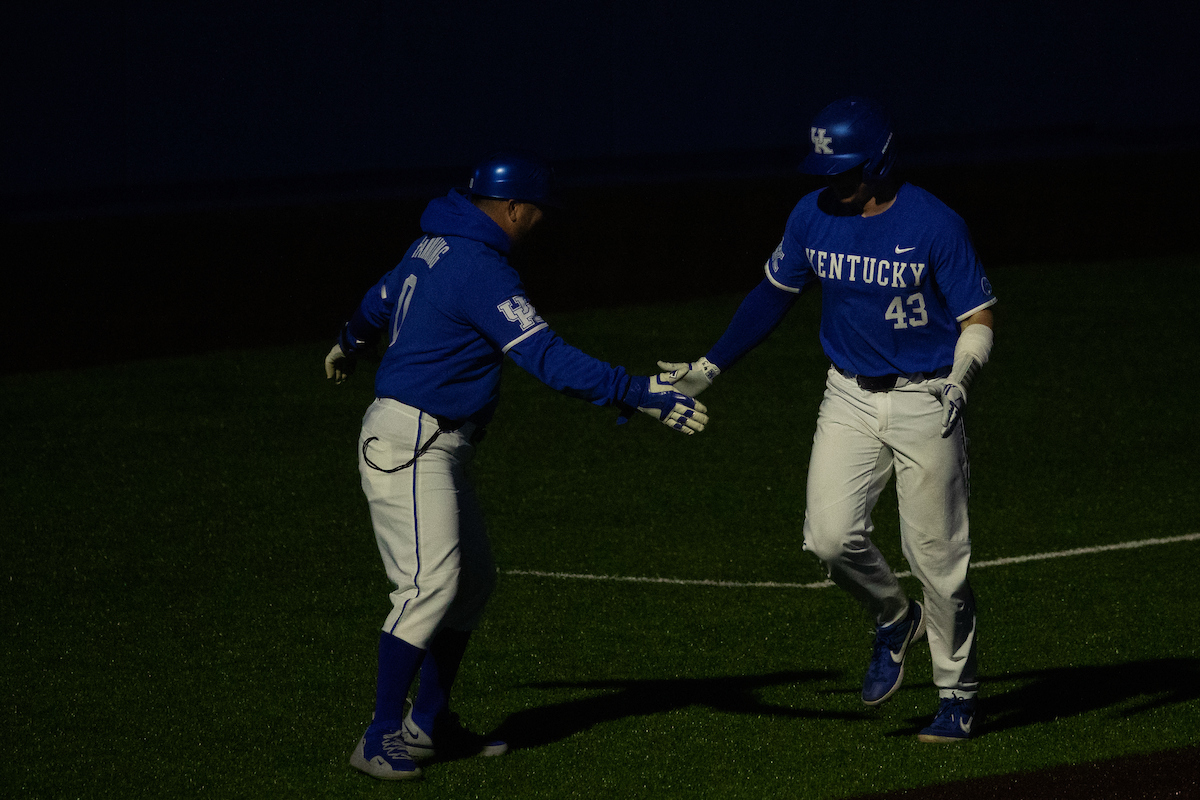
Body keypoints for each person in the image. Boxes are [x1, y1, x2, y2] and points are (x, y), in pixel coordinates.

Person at [323, 152, 707, 781]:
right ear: (513, 208)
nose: (541, 224)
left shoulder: (434, 244)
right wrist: (638, 393)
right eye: (539, 213)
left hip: (430, 444)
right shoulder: (480, 267)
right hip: (411, 443)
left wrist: (347, 342)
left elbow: (379, 298)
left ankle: (430, 724)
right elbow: (549, 360)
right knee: (428, 587)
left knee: (471, 584)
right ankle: (378, 735)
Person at [660, 97, 995, 742]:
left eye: (845, 171)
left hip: (929, 398)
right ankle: (894, 617)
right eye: (825, 170)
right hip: (847, 395)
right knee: (828, 538)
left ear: (882, 161)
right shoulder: (811, 215)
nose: (832, 184)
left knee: (937, 558)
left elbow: (976, 316)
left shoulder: (934, 223)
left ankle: (957, 691)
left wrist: (961, 378)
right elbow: (772, 295)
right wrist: (712, 364)